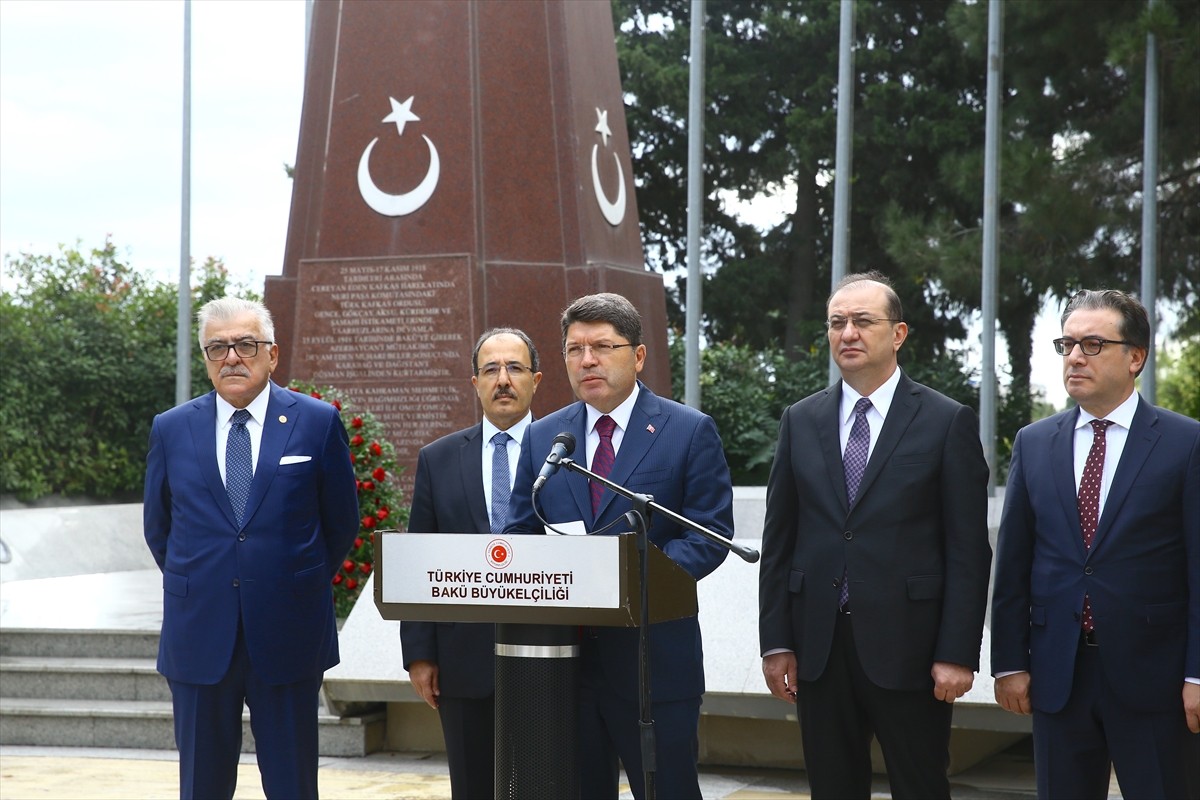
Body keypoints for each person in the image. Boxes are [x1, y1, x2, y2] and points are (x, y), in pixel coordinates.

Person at [758, 271, 992, 799]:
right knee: (832, 787)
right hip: (818, 648)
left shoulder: (944, 420)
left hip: (910, 648)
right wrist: (776, 641)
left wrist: (958, 651)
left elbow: (968, 550)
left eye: (864, 322)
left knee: (920, 785)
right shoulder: (800, 420)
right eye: (837, 323)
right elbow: (780, 541)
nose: (848, 334)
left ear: (899, 333)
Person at [504, 292, 735, 800]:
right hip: (564, 663)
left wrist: (628, 579)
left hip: (653, 662)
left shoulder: (687, 430)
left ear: (638, 355)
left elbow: (709, 535)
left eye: (603, 346)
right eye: (574, 349)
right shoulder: (546, 438)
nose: (587, 360)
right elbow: (519, 532)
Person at [143, 297, 359, 800]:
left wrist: (289, 583)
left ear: (272, 354)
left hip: (289, 635)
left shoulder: (317, 422)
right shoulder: (171, 428)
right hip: (199, 635)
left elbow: (340, 524)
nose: (232, 357)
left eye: (245, 344)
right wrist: (205, 580)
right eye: (217, 347)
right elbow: (160, 529)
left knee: (292, 784)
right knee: (202, 785)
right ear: (205, 358)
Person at [991, 288, 1199, 799]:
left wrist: (1199, 674)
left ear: (1136, 357)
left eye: (1092, 344)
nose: (1075, 356)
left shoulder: (1185, 442)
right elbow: (1014, 560)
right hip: (1057, 674)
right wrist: (1009, 662)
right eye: (1066, 345)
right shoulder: (1034, 442)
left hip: (1155, 677)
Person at [400, 327, 543, 799]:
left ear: (536, 380)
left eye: (515, 368)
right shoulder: (438, 459)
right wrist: (420, 654)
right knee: (473, 788)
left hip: (551, 656)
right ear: (474, 382)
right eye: (491, 369)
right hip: (462, 659)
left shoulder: (568, 454)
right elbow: (419, 556)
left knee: (547, 784)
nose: (503, 380)